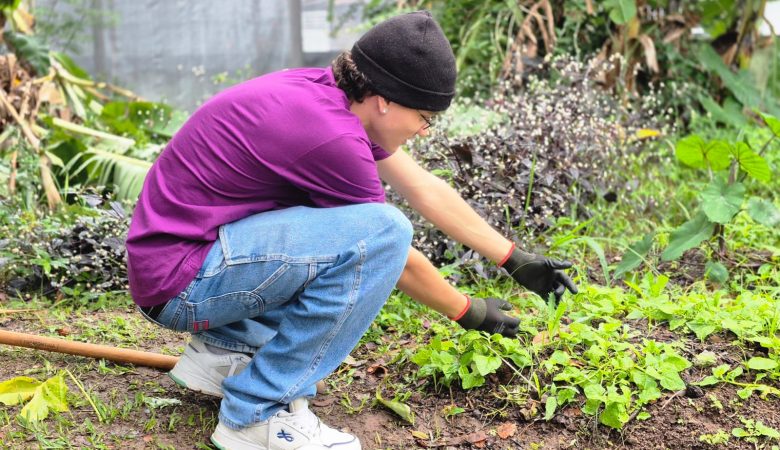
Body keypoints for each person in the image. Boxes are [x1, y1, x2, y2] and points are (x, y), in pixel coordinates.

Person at [126, 10, 577, 450]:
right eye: (424, 116)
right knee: (384, 232)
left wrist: (513, 258)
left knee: (364, 229)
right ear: (385, 99)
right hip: (185, 283)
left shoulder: (325, 92)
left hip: (178, 263)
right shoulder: (331, 137)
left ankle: (227, 352)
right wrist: (470, 311)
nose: (423, 130)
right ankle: (254, 415)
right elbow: (385, 252)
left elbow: (423, 187)